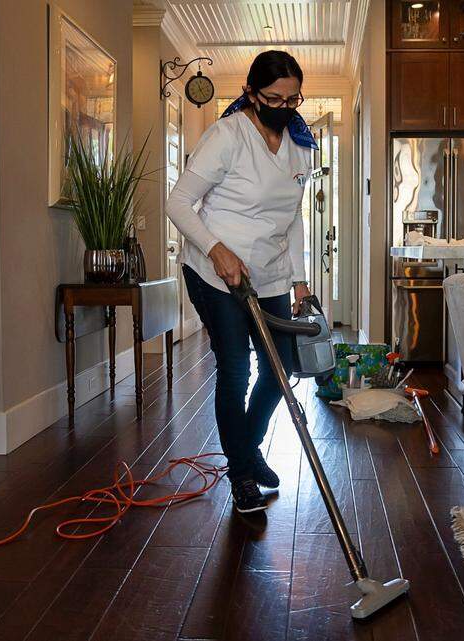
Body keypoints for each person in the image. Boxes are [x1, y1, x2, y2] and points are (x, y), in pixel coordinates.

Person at [165, 50, 316, 514]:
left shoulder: (300, 144)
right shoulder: (227, 136)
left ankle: (245, 452)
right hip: (215, 270)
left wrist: (300, 279)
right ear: (251, 93)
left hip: (268, 272)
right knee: (236, 369)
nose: (284, 107)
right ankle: (242, 474)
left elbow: (290, 219)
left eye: (293, 99)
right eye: (273, 98)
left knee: (281, 367)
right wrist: (216, 249)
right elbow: (179, 203)